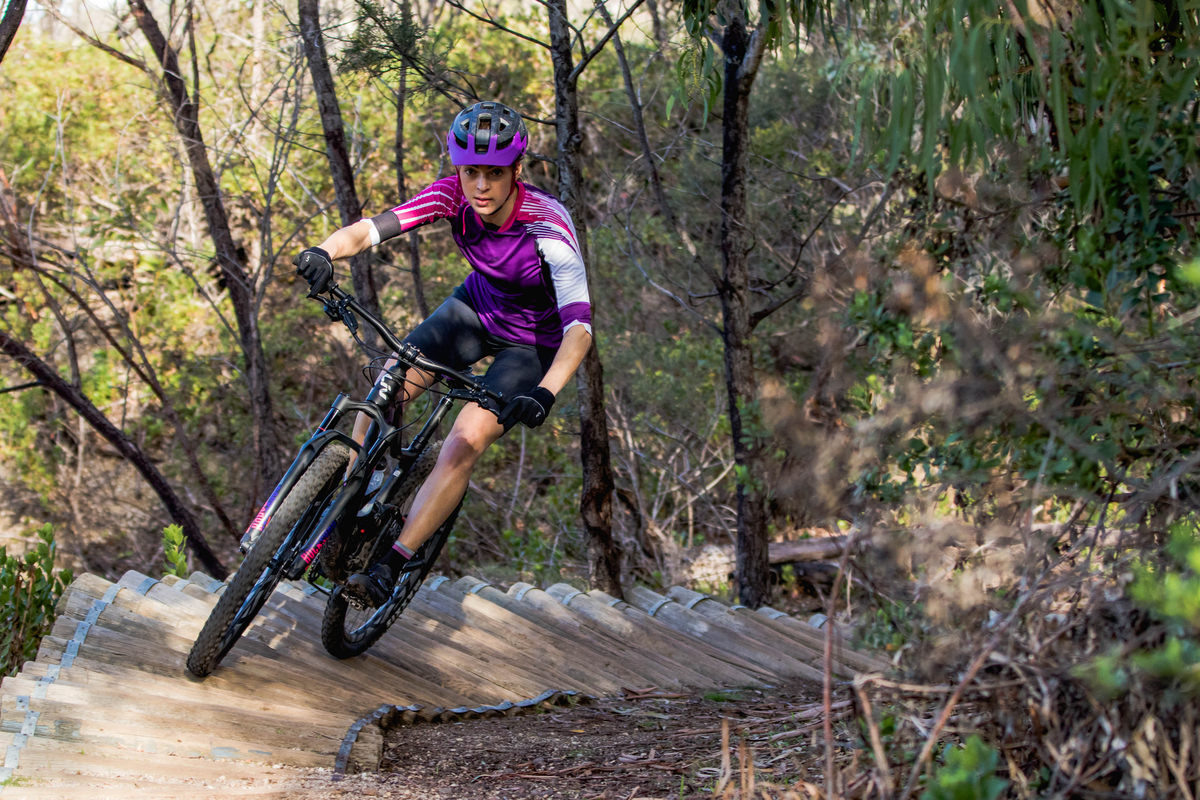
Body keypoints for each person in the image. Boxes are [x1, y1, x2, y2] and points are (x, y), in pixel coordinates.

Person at [293, 101, 593, 606]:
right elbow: (371, 229)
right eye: (470, 171)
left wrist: (545, 393)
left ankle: (391, 565)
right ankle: (342, 507)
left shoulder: (548, 228)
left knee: (464, 441)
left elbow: (580, 329)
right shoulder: (451, 195)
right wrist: (323, 251)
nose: (480, 185)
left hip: (532, 343)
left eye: (493, 174)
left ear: (516, 171)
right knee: (386, 384)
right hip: (475, 310)